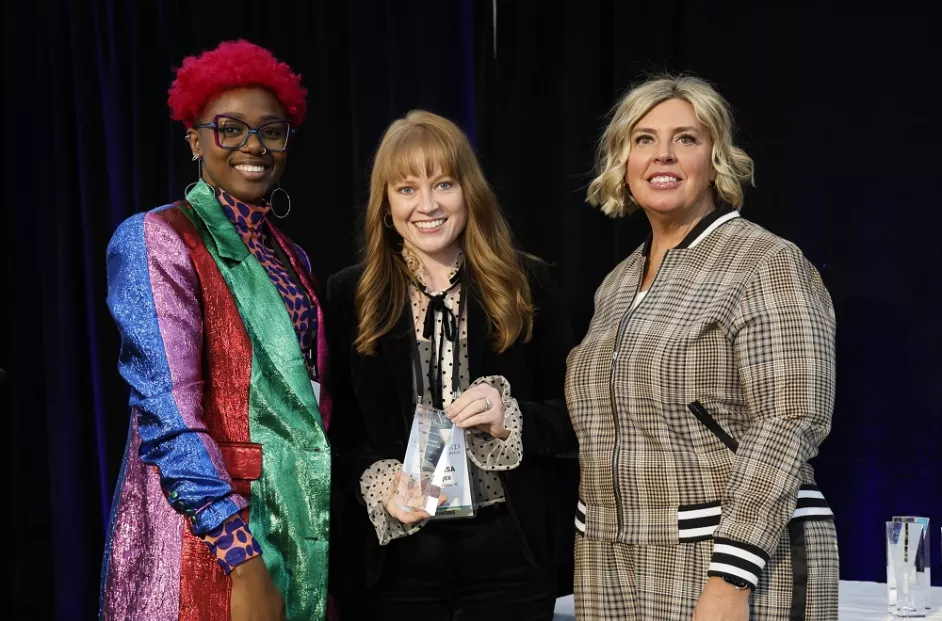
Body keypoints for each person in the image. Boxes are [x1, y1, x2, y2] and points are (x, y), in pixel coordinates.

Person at [566, 74, 839, 621]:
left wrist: (730, 580)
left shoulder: (767, 263)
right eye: (643, 140)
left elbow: (790, 420)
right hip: (608, 564)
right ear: (622, 160)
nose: (662, 154)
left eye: (686, 139)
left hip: (731, 563)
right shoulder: (617, 282)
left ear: (717, 158)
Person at [99, 40, 331, 621]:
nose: (253, 146)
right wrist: (241, 557)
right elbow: (169, 412)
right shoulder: (159, 238)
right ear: (194, 139)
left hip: (294, 521)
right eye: (230, 129)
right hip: (208, 538)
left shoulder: (292, 256)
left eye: (271, 131)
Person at [326, 110, 578, 621]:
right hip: (395, 560)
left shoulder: (525, 284)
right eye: (406, 189)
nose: (427, 206)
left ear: (470, 191)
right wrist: (382, 485)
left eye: (443, 184)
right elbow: (336, 434)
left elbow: (575, 415)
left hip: (510, 553)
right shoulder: (350, 293)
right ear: (385, 204)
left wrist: (511, 417)